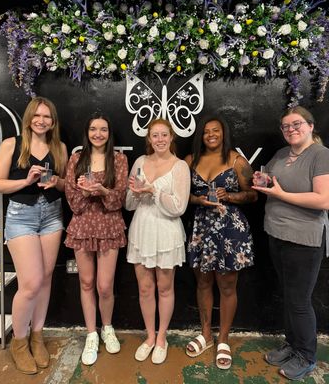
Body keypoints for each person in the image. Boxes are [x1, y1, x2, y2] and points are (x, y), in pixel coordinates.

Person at [252, 106, 329, 381]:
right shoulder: (282, 154)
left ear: (310, 126)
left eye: (296, 124)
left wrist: (281, 194)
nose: (291, 130)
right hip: (277, 233)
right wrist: (262, 182)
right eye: (286, 127)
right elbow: (272, 183)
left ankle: (307, 356)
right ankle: (293, 345)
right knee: (288, 296)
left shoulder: (321, 155)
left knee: (299, 301)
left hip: (304, 239)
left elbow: (324, 200)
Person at [0, 97, 67, 375]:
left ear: (53, 121)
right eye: (37, 115)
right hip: (21, 216)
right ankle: (19, 343)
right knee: (31, 283)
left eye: (47, 116)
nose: (41, 120)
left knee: (46, 279)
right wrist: (25, 181)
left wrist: (58, 182)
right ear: (29, 118)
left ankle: (38, 336)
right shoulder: (12, 144)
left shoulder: (59, 147)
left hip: (52, 214)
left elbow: (64, 185)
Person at [185, 115, 257, 369]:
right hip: (202, 228)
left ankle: (223, 338)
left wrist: (232, 196)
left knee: (227, 286)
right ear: (201, 136)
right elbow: (184, 196)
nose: (211, 135)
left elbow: (253, 195)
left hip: (229, 230)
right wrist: (198, 200)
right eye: (206, 132)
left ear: (224, 133)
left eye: (216, 131)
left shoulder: (236, 160)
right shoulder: (191, 160)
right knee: (203, 282)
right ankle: (206, 333)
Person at [65, 113, 128, 366]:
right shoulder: (76, 159)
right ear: (87, 132)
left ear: (109, 133)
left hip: (109, 226)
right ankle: (91, 333)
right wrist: (83, 192)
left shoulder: (120, 159)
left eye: (103, 129)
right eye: (93, 129)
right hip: (82, 225)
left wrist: (102, 191)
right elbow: (72, 200)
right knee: (87, 282)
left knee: (104, 285)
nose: (98, 134)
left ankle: (107, 327)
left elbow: (120, 198)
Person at [125, 118, 190, 365]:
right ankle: (149, 337)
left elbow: (179, 207)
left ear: (172, 137)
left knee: (164, 288)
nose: (160, 139)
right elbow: (128, 204)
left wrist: (153, 191)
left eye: (164, 135)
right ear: (149, 139)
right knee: (144, 288)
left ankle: (162, 337)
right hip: (141, 230)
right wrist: (135, 192)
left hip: (166, 233)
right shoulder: (140, 162)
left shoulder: (180, 166)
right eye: (155, 135)